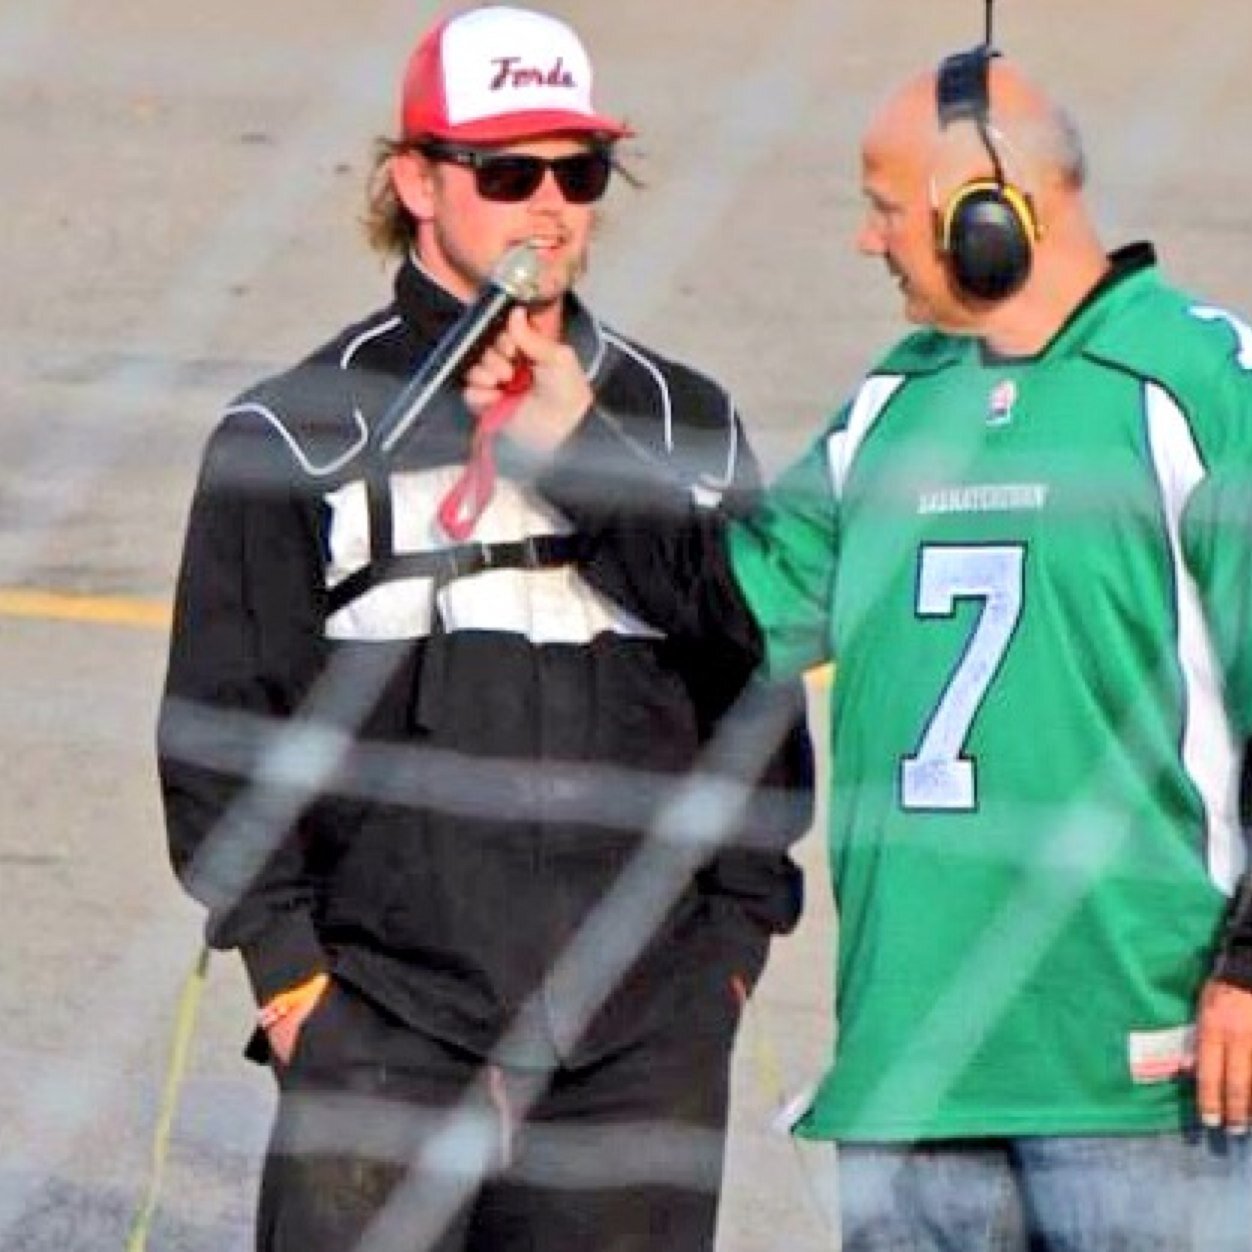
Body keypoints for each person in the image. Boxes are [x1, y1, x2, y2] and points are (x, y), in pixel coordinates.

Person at [464, 44, 1252, 1251]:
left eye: (887, 212)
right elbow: (738, 608)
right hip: (910, 1076)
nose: (866, 242)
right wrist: (577, 444)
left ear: (988, 217)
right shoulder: (899, 400)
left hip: (1142, 1083)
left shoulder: (1196, 383)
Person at [156, 6, 813, 1251]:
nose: (551, 206)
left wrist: (731, 946)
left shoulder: (685, 418)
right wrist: (292, 976)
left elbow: (760, 690)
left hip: (642, 1034)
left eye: (581, 171)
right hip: (383, 1023)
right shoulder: (291, 433)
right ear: (414, 180)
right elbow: (221, 731)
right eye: (508, 173)